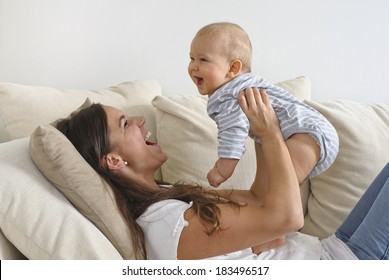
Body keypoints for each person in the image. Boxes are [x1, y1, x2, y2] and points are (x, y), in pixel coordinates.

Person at [56, 87, 389, 260]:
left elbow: (260, 199)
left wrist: (258, 132)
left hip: (332, 251)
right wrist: (271, 133)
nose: (140, 121)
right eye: (125, 124)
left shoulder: (167, 195)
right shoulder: (166, 225)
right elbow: (289, 218)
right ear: (113, 161)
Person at [188, 22, 339, 187]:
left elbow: (233, 131)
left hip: (305, 133)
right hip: (311, 130)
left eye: (203, 60)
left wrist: (222, 168)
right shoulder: (241, 85)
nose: (194, 66)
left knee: (281, 190)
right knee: (270, 193)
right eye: (192, 58)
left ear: (233, 68)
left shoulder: (228, 94)